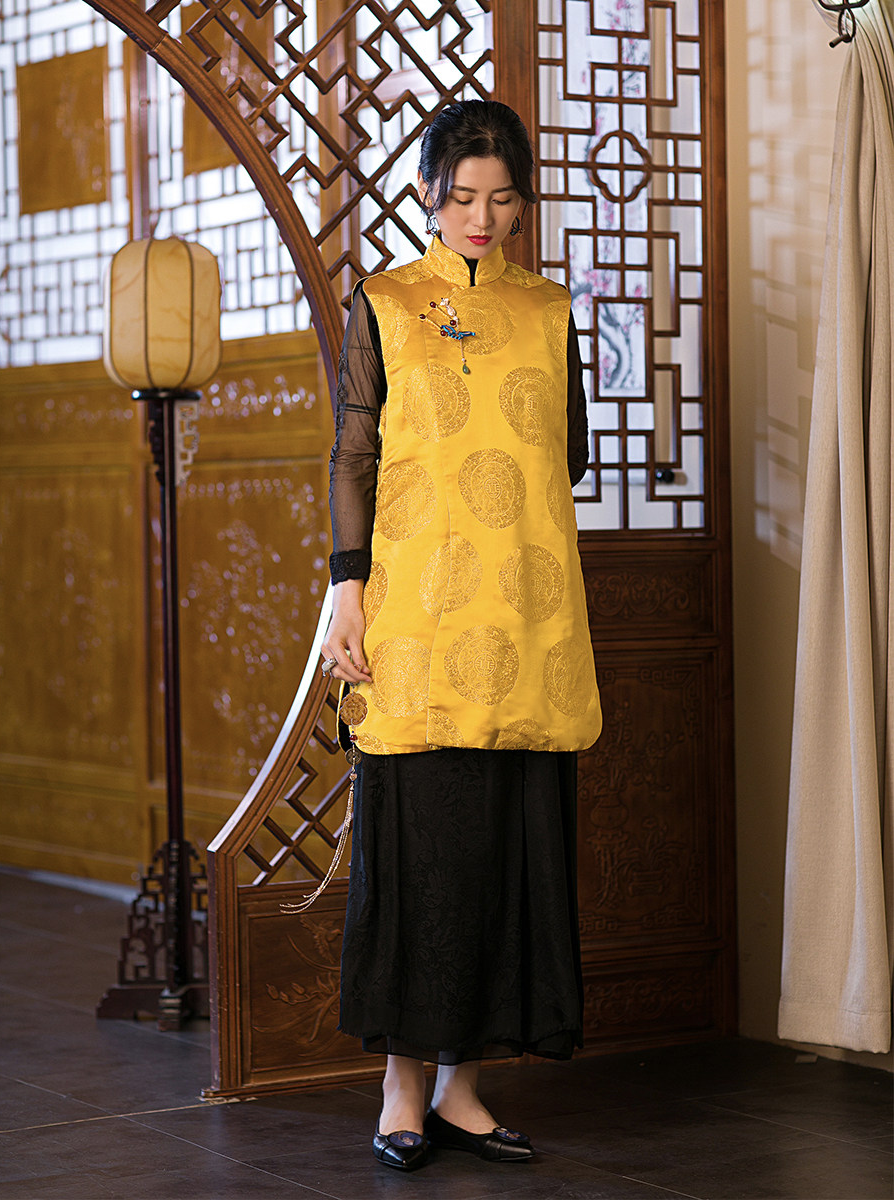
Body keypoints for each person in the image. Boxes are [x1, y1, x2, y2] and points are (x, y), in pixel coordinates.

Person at [321, 99, 602, 1173]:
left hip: (526, 617)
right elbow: (353, 456)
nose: (483, 216)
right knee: (422, 854)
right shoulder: (387, 303)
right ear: (429, 195)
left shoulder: (549, 308)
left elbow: (568, 449)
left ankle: (463, 1089)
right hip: (416, 618)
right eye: (464, 196)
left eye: (504, 198)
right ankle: (401, 1091)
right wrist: (348, 590)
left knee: (501, 852)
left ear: (523, 204)